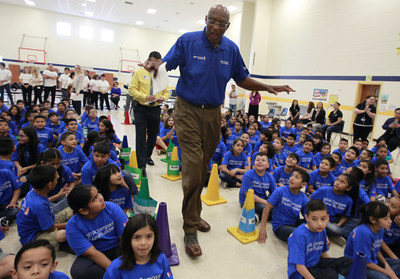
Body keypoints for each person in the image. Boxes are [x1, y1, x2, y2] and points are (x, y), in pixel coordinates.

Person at [144, 4, 294, 258]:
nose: (216, 27)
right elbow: (166, 65)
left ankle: (194, 213)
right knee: (192, 166)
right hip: (188, 109)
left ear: (227, 26)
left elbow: (242, 78)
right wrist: (154, 66)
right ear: (206, 19)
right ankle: (189, 227)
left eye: (222, 24)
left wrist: (268, 87)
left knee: (203, 168)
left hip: (213, 113)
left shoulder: (231, 49)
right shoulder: (188, 41)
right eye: (212, 21)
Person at [66, 185, 128, 279]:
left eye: (98, 194)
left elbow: (124, 238)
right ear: (84, 211)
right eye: (95, 199)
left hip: (118, 247)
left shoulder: (112, 208)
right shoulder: (73, 226)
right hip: (96, 253)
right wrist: (114, 271)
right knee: (79, 271)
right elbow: (92, 253)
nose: (100, 198)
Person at [128, 51, 170, 176]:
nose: (155, 65)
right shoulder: (139, 73)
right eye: (153, 62)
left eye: (158, 63)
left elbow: (167, 91)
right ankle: (141, 166)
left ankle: (146, 156)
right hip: (141, 108)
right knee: (141, 136)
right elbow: (132, 90)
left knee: (152, 137)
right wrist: (144, 96)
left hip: (155, 109)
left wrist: (163, 97)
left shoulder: (161, 74)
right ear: (148, 60)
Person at [287, 200, 352, 279]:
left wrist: (332, 265)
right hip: (301, 273)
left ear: (327, 218)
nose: (319, 223)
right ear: (307, 218)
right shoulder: (300, 235)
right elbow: (299, 267)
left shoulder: (322, 230)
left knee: (347, 261)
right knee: (331, 275)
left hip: (316, 263)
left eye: (323, 219)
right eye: (314, 219)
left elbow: (323, 253)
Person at [16, 165, 72, 248]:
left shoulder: (33, 192)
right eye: (56, 178)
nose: (58, 178)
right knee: (62, 235)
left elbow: (45, 201)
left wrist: (58, 195)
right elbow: (49, 228)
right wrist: (69, 224)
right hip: (33, 237)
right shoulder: (39, 206)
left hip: (42, 223)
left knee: (70, 210)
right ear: (49, 184)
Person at [103, 213, 173, 279]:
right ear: (128, 239)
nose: (143, 243)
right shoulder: (115, 268)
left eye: (149, 236)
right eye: (137, 237)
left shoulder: (162, 260)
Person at [344, 202, 400, 279]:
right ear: (373, 220)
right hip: (358, 267)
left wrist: (387, 266)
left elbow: (376, 249)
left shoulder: (380, 229)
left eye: (389, 217)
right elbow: (365, 262)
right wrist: (389, 273)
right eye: (385, 219)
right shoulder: (364, 233)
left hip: (373, 262)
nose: (390, 221)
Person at [257, 168, 310, 243]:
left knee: (315, 224)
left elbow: (309, 217)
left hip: (294, 223)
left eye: (296, 177)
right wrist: (262, 228)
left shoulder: (304, 198)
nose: (292, 178)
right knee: (300, 234)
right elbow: (267, 208)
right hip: (280, 226)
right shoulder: (280, 191)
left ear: (303, 184)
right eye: (292, 175)